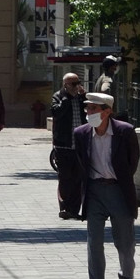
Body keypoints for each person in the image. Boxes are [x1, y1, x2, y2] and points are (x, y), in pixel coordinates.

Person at [74, 93, 140, 279]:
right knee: (94, 243)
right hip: (94, 192)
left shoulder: (124, 132)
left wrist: (119, 180)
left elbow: (132, 162)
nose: (89, 113)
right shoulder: (81, 133)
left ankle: (126, 277)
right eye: (88, 109)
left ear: (107, 111)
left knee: (125, 243)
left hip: (118, 191)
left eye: (94, 108)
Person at [51, 73, 87, 220]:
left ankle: (74, 209)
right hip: (63, 145)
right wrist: (68, 97)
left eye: (78, 83)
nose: (76, 86)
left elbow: (89, 113)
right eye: (73, 84)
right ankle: (64, 207)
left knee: (78, 179)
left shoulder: (80, 97)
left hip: (79, 146)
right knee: (65, 178)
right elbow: (56, 113)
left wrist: (84, 97)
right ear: (65, 85)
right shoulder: (58, 96)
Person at [95, 55, 129, 122]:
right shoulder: (107, 79)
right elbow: (104, 89)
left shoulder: (102, 77)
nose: (117, 67)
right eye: (115, 65)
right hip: (108, 117)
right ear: (112, 67)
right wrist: (108, 108)